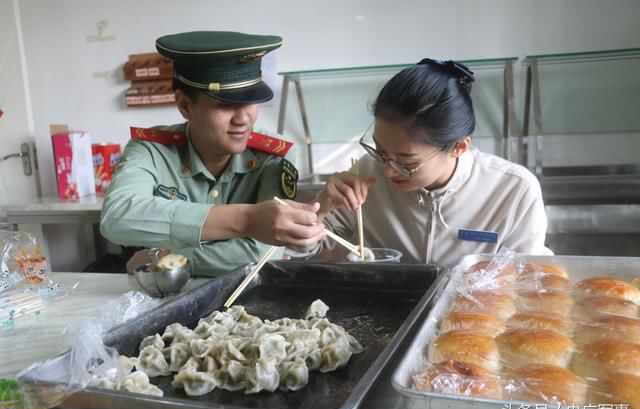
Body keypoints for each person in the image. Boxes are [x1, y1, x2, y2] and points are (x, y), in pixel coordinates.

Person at [100, 31, 325, 277]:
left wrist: (168, 258)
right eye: (225, 105)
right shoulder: (151, 149)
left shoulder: (275, 155)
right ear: (185, 105)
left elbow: (263, 253)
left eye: (251, 101)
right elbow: (117, 216)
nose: (243, 118)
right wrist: (248, 220)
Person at [291, 58, 552, 268]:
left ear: (458, 147)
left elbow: (526, 280)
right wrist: (321, 206)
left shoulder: (513, 190)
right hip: (384, 318)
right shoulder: (364, 174)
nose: (388, 170)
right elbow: (304, 252)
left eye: (406, 161)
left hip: (473, 325)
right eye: (380, 151)